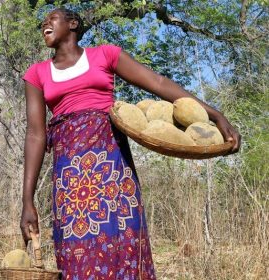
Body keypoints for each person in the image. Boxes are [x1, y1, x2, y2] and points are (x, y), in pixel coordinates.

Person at [20, 7, 241, 280]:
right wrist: (27, 201)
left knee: (124, 243)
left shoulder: (106, 55)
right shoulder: (37, 73)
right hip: (71, 180)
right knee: (77, 250)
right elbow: (35, 134)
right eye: (42, 22)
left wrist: (214, 114)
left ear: (73, 23)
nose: (45, 24)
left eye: (51, 19)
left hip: (114, 169)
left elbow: (157, 82)